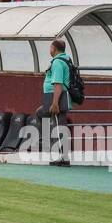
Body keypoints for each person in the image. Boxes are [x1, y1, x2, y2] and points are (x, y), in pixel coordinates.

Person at [39, 38, 73, 166]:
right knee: (44, 115)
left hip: (57, 96)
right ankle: (60, 153)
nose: (49, 50)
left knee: (60, 126)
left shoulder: (58, 62)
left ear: (54, 48)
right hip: (54, 96)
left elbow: (58, 84)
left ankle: (64, 158)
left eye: (50, 47)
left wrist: (55, 103)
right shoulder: (66, 59)